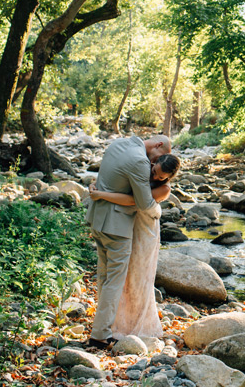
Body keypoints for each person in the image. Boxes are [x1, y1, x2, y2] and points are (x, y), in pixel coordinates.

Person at [84, 135, 175, 348]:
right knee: (114, 281)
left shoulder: (118, 144)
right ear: (158, 146)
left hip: (99, 220)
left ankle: (109, 325)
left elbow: (109, 179)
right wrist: (156, 211)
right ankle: (100, 334)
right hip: (117, 227)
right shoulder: (140, 161)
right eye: (159, 158)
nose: (154, 165)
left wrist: (99, 193)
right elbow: (143, 203)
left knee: (105, 277)